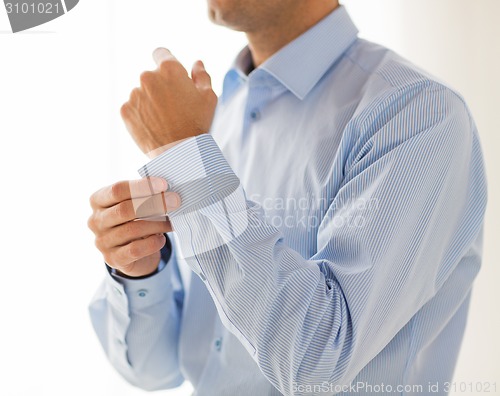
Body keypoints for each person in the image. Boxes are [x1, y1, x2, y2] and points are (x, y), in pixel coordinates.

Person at [87, 0, 487, 395]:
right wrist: (138, 271)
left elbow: (315, 367)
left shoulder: (417, 114)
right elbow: (155, 371)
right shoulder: (216, 115)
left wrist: (187, 153)